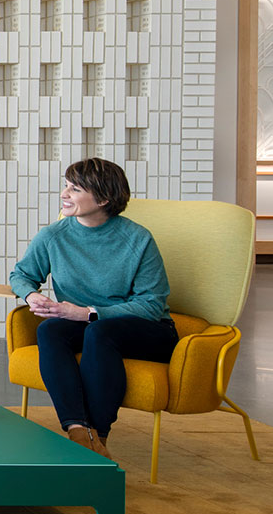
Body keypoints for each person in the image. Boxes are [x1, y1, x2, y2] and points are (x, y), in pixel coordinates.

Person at [9, 157, 175, 459]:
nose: (64, 194)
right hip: (88, 325)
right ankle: (79, 431)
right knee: (50, 331)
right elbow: (20, 275)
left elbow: (152, 305)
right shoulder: (53, 236)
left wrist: (87, 313)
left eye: (75, 189)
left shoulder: (138, 239)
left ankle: (98, 434)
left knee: (99, 332)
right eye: (66, 186)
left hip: (148, 331)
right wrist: (31, 296)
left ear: (103, 198)